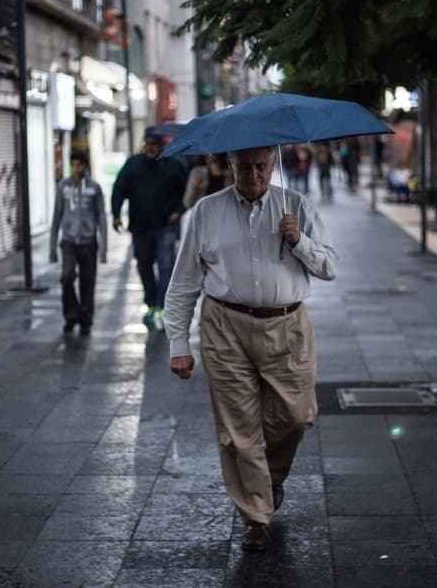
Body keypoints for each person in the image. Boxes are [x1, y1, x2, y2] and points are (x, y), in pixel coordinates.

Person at [163, 145, 338, 552]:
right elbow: (184, 281)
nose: (254, 175)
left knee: (296, 417)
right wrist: (178, 342)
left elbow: (330, 267)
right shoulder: (207, 211)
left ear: (273, 165)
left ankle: (268, 479)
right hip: (225, 326)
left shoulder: (296, 205)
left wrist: (298, 240)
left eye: (262, 166)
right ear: (230, 165)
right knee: (237, 429)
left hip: (287, 326)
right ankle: (255, 516)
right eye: (244, 167)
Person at [112, 126, 188, 330]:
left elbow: (187, 191)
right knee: (144, 266)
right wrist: (116, 214)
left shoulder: (174, 166)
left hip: (165, 226)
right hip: (140, 227)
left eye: (155, 145)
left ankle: (163, 307)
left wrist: (179, 211)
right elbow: (119, 188)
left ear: (162, 146)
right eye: (147, 144)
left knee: (166, 267)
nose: (150, 148)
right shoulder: (133, 164)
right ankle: (151, 303)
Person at [49, 149, 107, 335]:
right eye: (73, 164)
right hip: (68, 242)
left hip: (89, 242)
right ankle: (71, 315)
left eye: (79, 165)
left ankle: (86, 320)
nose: (76, 168)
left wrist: (104, 249)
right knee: (67, 276)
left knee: (87, 282)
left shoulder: (94, 188)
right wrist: (52, 248)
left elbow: (101, 217)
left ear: (85, 166)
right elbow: (56, 216)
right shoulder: (63, 187)